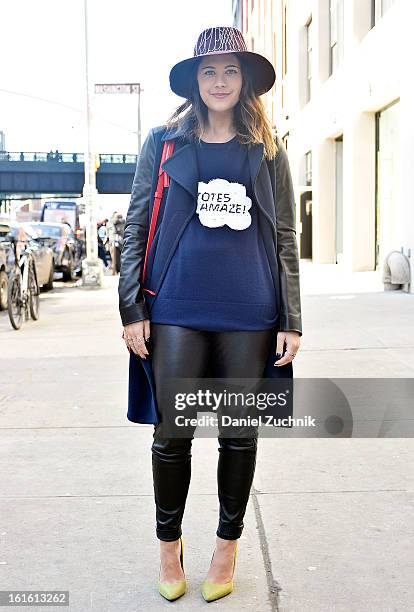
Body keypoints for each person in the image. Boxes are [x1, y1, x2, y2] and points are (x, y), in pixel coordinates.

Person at [118, 25, 302, 603]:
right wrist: (130, 307)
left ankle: (227, 546)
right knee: (172, 435)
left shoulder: (266, 149)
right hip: (174, 307)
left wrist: (291, 317)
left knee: (238, 436)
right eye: (208, 71)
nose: (219, 81)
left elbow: (287, 235)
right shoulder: (164, 142)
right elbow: (135, 223)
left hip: (251, 310)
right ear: (194, 82)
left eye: (230, 71)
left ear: (244, 80)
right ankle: (169, 547)